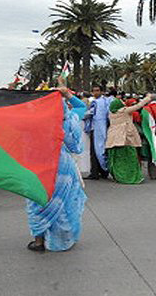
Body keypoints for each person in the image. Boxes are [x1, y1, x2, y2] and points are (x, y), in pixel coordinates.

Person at [25, 87, 88, 252]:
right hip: (62, 165)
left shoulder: (30, 120)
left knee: (37, 200)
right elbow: (81, 107)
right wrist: (67, 95)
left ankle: (38, 241)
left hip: (37, 164)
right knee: (64, 202)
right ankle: (63, 239)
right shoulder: (67, 119)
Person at [105, 93, 154, 184]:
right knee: (130, 157)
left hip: (113, 138)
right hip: (126, 138)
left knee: (116, 159)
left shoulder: (111, 113)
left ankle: (118, 176)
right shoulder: (124, 111)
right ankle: (130, 177)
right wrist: (148, 98)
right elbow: (139, 106)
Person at [85, 85, 111, 180]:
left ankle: (100, 172)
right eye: (94, 91)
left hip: (100, 129)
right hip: (96, 129)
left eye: (98, 90)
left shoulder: (101, 102)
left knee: (99, 150)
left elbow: (88, 114)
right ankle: (97, 172)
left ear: (101, 91)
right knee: (96, 151)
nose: (96, 92)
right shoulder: (97, 102)